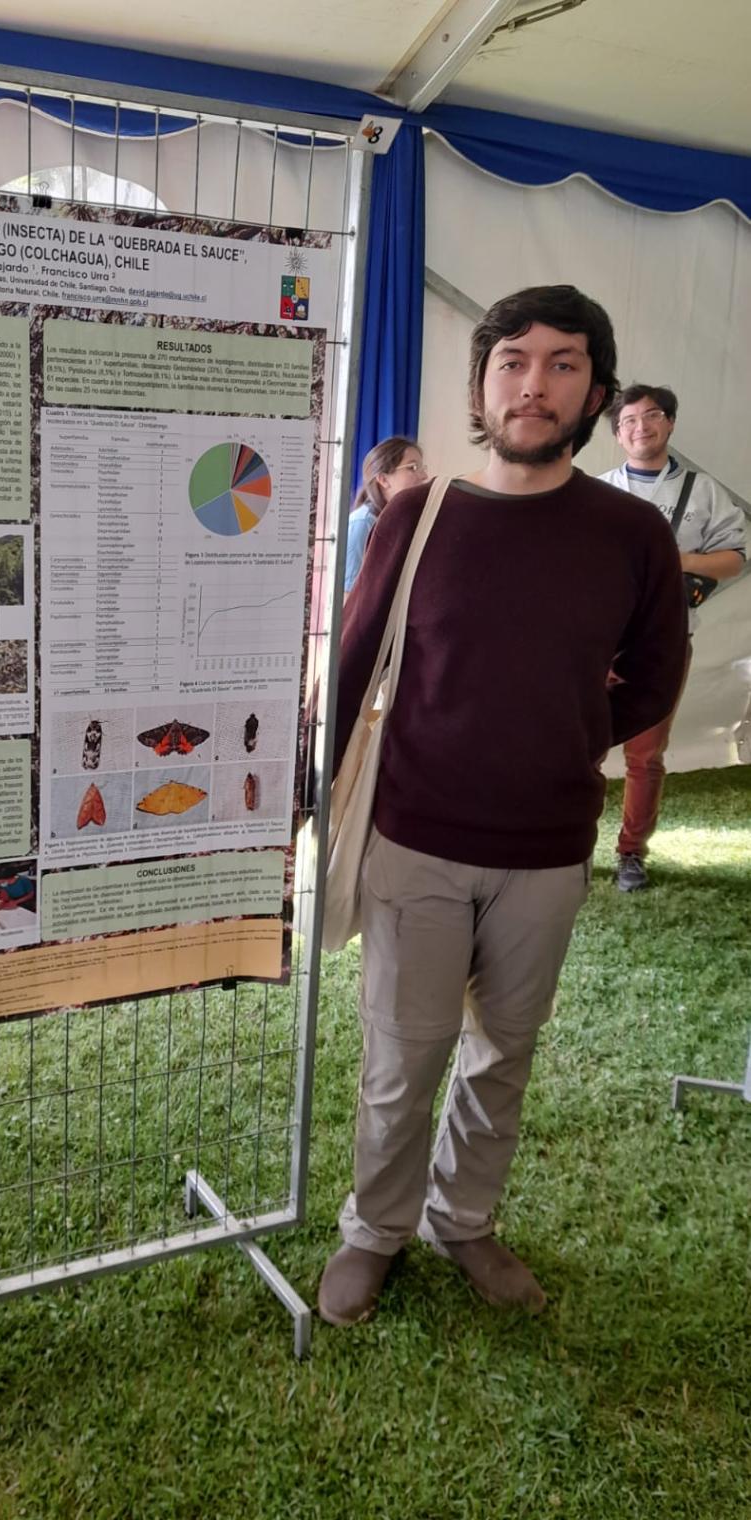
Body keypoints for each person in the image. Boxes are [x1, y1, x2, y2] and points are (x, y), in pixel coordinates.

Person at [318, 286, 688, 1328]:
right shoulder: (415, 515)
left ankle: (461, 1218)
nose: (535, 382)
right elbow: (352, 663)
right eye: (514, 359)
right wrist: (308, 799)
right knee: (405, 1052)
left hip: (546, 850)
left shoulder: (632, 534)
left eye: (564, 363)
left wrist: (568, 734)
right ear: (481, 382)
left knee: (502, 1050)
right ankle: (373, 1229)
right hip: (414, 840)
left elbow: (657, 674)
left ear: (597, 390)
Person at [598, 385, 747, 891]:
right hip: (597, 639)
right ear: (618, 434)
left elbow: (736, 558)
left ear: (670, 424)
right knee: (579, 743)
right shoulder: (597, 492)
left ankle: (631, 853)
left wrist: (678, 561)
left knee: (645, 752)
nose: (642, 427)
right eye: (630, 420)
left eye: (653, 416)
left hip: (665, 639)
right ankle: (567, 844)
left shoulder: (703, 492)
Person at [344, 437, 427, 592]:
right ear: (383, 479)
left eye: (422, 468)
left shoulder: (406, 522)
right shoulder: (361, 524)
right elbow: (347, 597)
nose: (424, 476)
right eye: (413, 468)